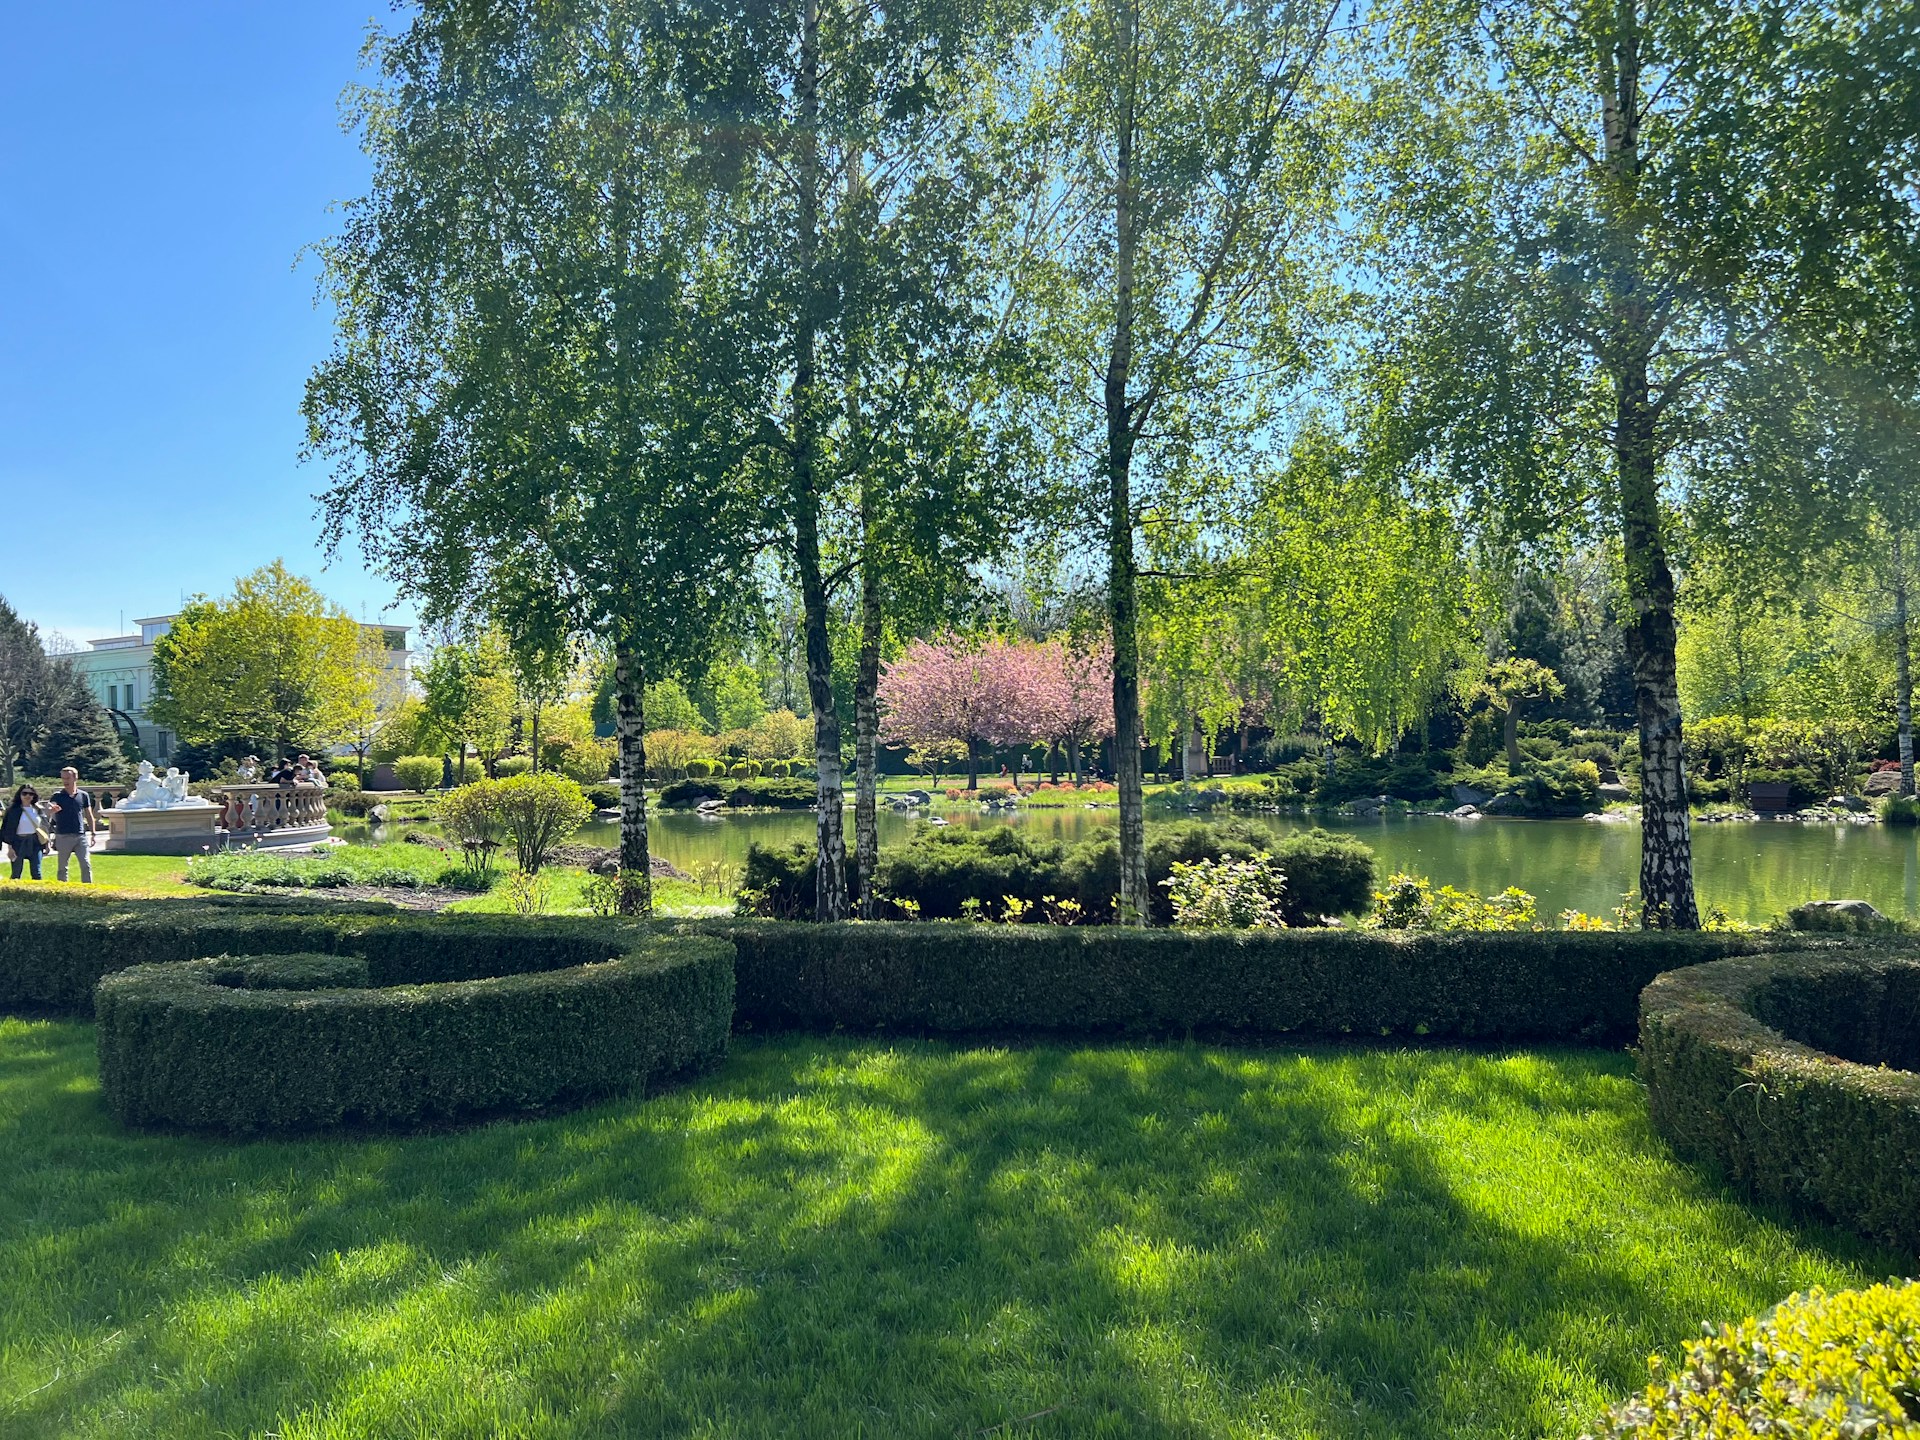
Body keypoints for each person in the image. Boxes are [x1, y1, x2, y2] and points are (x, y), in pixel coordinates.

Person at [47, 767, 99, 883]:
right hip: (63, 835)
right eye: (63, 778)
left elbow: (89, 815)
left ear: (75, 778)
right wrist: (52, 809)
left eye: (67, 778)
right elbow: (50, 808)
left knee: (86, 864)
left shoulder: (83, 795)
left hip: (80, 835)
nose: (65, 781)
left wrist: (93, 834)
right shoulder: (57, 796)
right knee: (62, 868)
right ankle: (63, 891)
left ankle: (88, 890)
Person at [3, 784, 48, 880]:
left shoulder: (38, 809)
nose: (28, 796)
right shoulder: (13, 810)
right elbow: (8, 830)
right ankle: (13, 894)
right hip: (18, 843)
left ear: (34, 796)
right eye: (24, 793)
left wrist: (46, 844)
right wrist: (10, 848)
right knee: (16, 873)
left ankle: (38, 893)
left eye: (31, 794)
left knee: (37, 872)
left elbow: (44, 827)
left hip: (35, 842)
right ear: (19, 795)